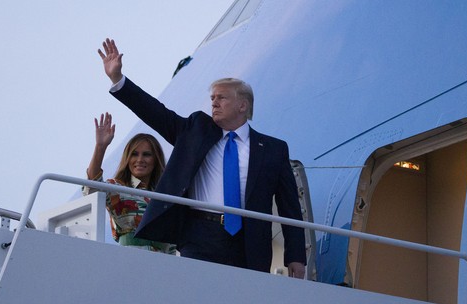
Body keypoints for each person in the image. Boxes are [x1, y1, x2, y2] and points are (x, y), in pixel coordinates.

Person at [97, 38, 306, 278]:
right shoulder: (196, 130)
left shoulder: (273, 149)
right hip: (199, 235)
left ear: (242, 105)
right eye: (212, 98)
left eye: (222, 98)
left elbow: (290, 208)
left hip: (250, 242)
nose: (214, 103)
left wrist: (296, 257)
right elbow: (156, 112)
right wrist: (118, 80)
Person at [82, 111, 175, 254]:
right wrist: (100, 147)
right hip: (130, 259)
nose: (139, 160)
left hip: (163, 263)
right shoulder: (117, 188)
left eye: (147, 154)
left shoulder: (166, 196)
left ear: (156, 159)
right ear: (127, 158)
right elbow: (92, 187)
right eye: (134, 154)